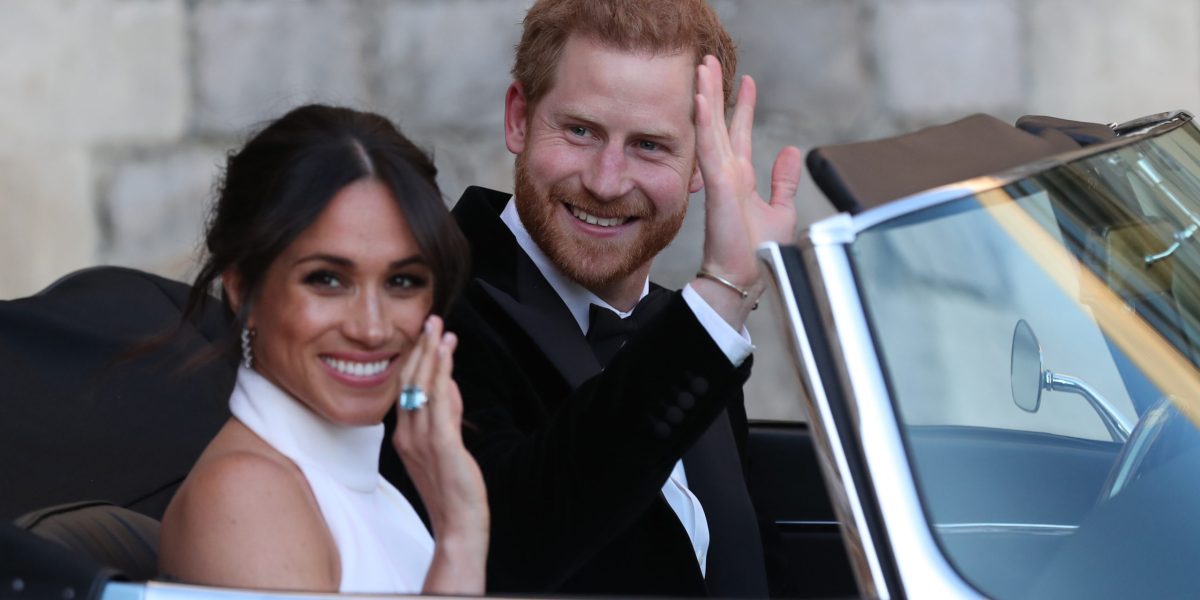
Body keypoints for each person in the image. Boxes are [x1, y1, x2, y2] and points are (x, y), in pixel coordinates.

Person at [380, 0, 803, 597]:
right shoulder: (427, 309)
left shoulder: (687, 333)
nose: (606, 181)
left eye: (650, 145)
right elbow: (505, 550)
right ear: (519, 119)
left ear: (700, 166)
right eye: (580, 131)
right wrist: (722, 294)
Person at [158, 105, 488, 595]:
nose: (372, 328)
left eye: (402, 281)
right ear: (241, 288)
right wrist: (461, 537)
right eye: (327, 280)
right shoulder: (245, 498)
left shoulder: (367, 487)